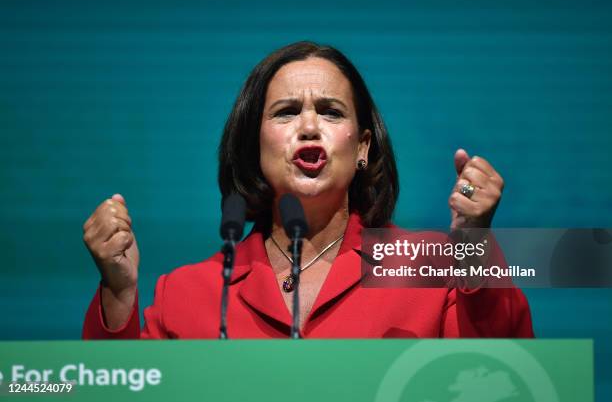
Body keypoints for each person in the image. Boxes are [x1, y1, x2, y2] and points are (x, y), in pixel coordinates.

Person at [82, 41, 534, 339]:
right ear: (255, 143)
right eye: (285, 112)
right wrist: (118, 293)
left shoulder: (428, 268)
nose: (310, 127)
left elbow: (503, 373)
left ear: (362, 147)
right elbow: (112, 390)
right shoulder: (188, 293)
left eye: (332, 112)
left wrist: (474, 245)